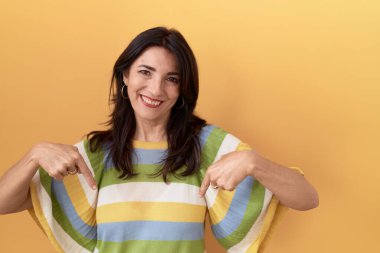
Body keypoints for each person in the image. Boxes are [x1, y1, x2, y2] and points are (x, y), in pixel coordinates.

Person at [0, 27, 318, 253]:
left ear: (181, 90)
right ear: (125, 76)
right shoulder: (97, 154)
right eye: (145, 72)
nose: (155, 89)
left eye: (171, 79)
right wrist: (33, 155)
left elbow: (307, 197)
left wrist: (254, 162)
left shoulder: (205, 147)